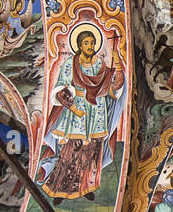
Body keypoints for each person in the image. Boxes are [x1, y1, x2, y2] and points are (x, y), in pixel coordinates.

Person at [41, 28, 125, 203]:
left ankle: (86, 187)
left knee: (92, 151)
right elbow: (61, 89)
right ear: (79, 45)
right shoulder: (71, 64)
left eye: (93, 43)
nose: (90, 46)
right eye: (86, 43)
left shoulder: (100, 64)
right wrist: (73, 109)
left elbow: (111, 86)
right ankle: (60, 189)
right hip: (77, 112)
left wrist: (116, 65)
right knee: (71, 152)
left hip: (96, 112)